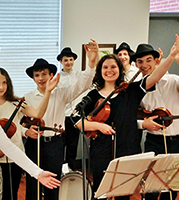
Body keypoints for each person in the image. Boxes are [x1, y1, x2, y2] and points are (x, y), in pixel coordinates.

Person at [75, 34, 179, 200]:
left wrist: (172, 56)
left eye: (113, 67)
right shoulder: (93, 95)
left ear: (120, 69)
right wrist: (98, 126)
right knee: (101, 193)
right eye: (105, 68)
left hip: (128, 151)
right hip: (101, 151)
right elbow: (78, 122)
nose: (109, 71)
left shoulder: (131, 90)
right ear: (100, 71)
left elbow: (155, 76)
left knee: (125, 194)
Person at [24, 39, 99, 200]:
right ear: (33, 78)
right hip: (33, 144)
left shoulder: (61, 93)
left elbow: (83, 85)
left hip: (54, 144)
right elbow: (19, 122)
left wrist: (92, 63)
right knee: (32, 182)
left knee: (53, 182)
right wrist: (25, 131)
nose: (41, 78)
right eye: (37, 75)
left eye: (44, 74)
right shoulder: (28, 98)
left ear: (51, 75)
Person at [0, 67, 60, 200]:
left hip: (14, 156)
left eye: (4, 82)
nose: (1, 87)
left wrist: (47, 92)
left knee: (12, 194)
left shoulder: (15, 103)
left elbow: (38, 114)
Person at [133, 36, 179, 200]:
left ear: (157, 60)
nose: (144, 65)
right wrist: (143, 124)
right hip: (154, 140)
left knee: (174, 184)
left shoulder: (174, 80)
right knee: (152, 185)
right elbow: (131, 117)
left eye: (148, 60)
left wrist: (176, 58)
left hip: (177, 140)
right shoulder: (138, 88)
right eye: (140, 61)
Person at [57, 47, 89, 171]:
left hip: (75, 116)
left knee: (73, 145)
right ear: (61, 62)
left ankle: (70, 169)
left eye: (71, 59)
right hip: (62, 116)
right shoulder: (58, 78)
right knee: (61, 145)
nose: (69, 62)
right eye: (66, 60)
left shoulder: (79, 75)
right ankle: (60, 170)